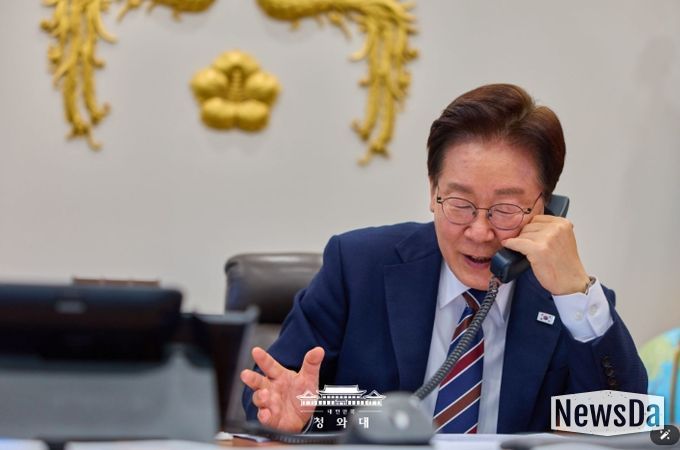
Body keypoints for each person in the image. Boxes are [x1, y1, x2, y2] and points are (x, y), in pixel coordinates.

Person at [240, 83, 648, 434]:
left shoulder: (571, 306)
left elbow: (622, 427)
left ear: (547, 208)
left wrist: (575, 294)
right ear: (432, 191)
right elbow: (276, 392)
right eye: (460, 204)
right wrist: (311, 412)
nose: (479, 232)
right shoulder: (358, 267)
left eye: (506, 209)